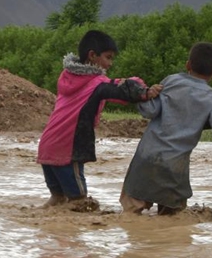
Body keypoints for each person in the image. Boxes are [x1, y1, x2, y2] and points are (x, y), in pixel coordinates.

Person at [120, 42, 212, 215]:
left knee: (131, 213)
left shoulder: (171, 81)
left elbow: (150, 110)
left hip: (146, 157)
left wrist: (143, 95)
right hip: (175, 166)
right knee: (172, 219)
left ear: (188, 65)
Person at [36, 30, 162, 209]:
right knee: (80, 203)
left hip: (47, 146)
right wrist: (145, 91)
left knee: (57, 200)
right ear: (92, 56)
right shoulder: (97, 84)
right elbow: (120, 90)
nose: (110, 63)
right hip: (68, 149)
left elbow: (113, 89)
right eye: (108, 57)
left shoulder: (67, 77)